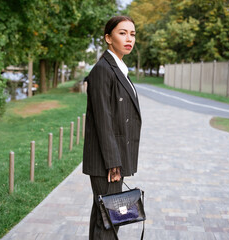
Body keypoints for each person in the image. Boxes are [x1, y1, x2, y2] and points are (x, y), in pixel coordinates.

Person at [82, 16, 142, 239]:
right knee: (109, 220)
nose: (129, 38)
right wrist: (113, 162)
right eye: (122, 33)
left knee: (105, 217)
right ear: (108, 38)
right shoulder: (102, 70)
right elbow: (103, 119)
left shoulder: (118, 68)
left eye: (132, 34)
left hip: (114, 158)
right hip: (106, 162)